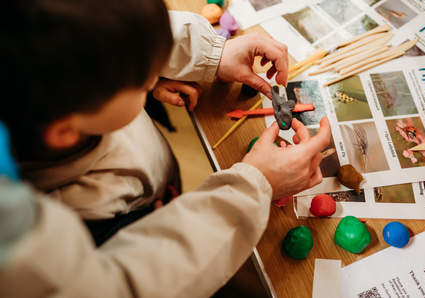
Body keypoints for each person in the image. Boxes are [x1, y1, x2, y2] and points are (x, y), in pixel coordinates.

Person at [0, 0, 331, 296]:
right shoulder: (56, 237)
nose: (153, 77)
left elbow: (99, 28)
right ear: (66, 129)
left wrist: (211, 54)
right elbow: (133, 280)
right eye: (141, 79)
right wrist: (257, 184)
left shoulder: (43, 82)